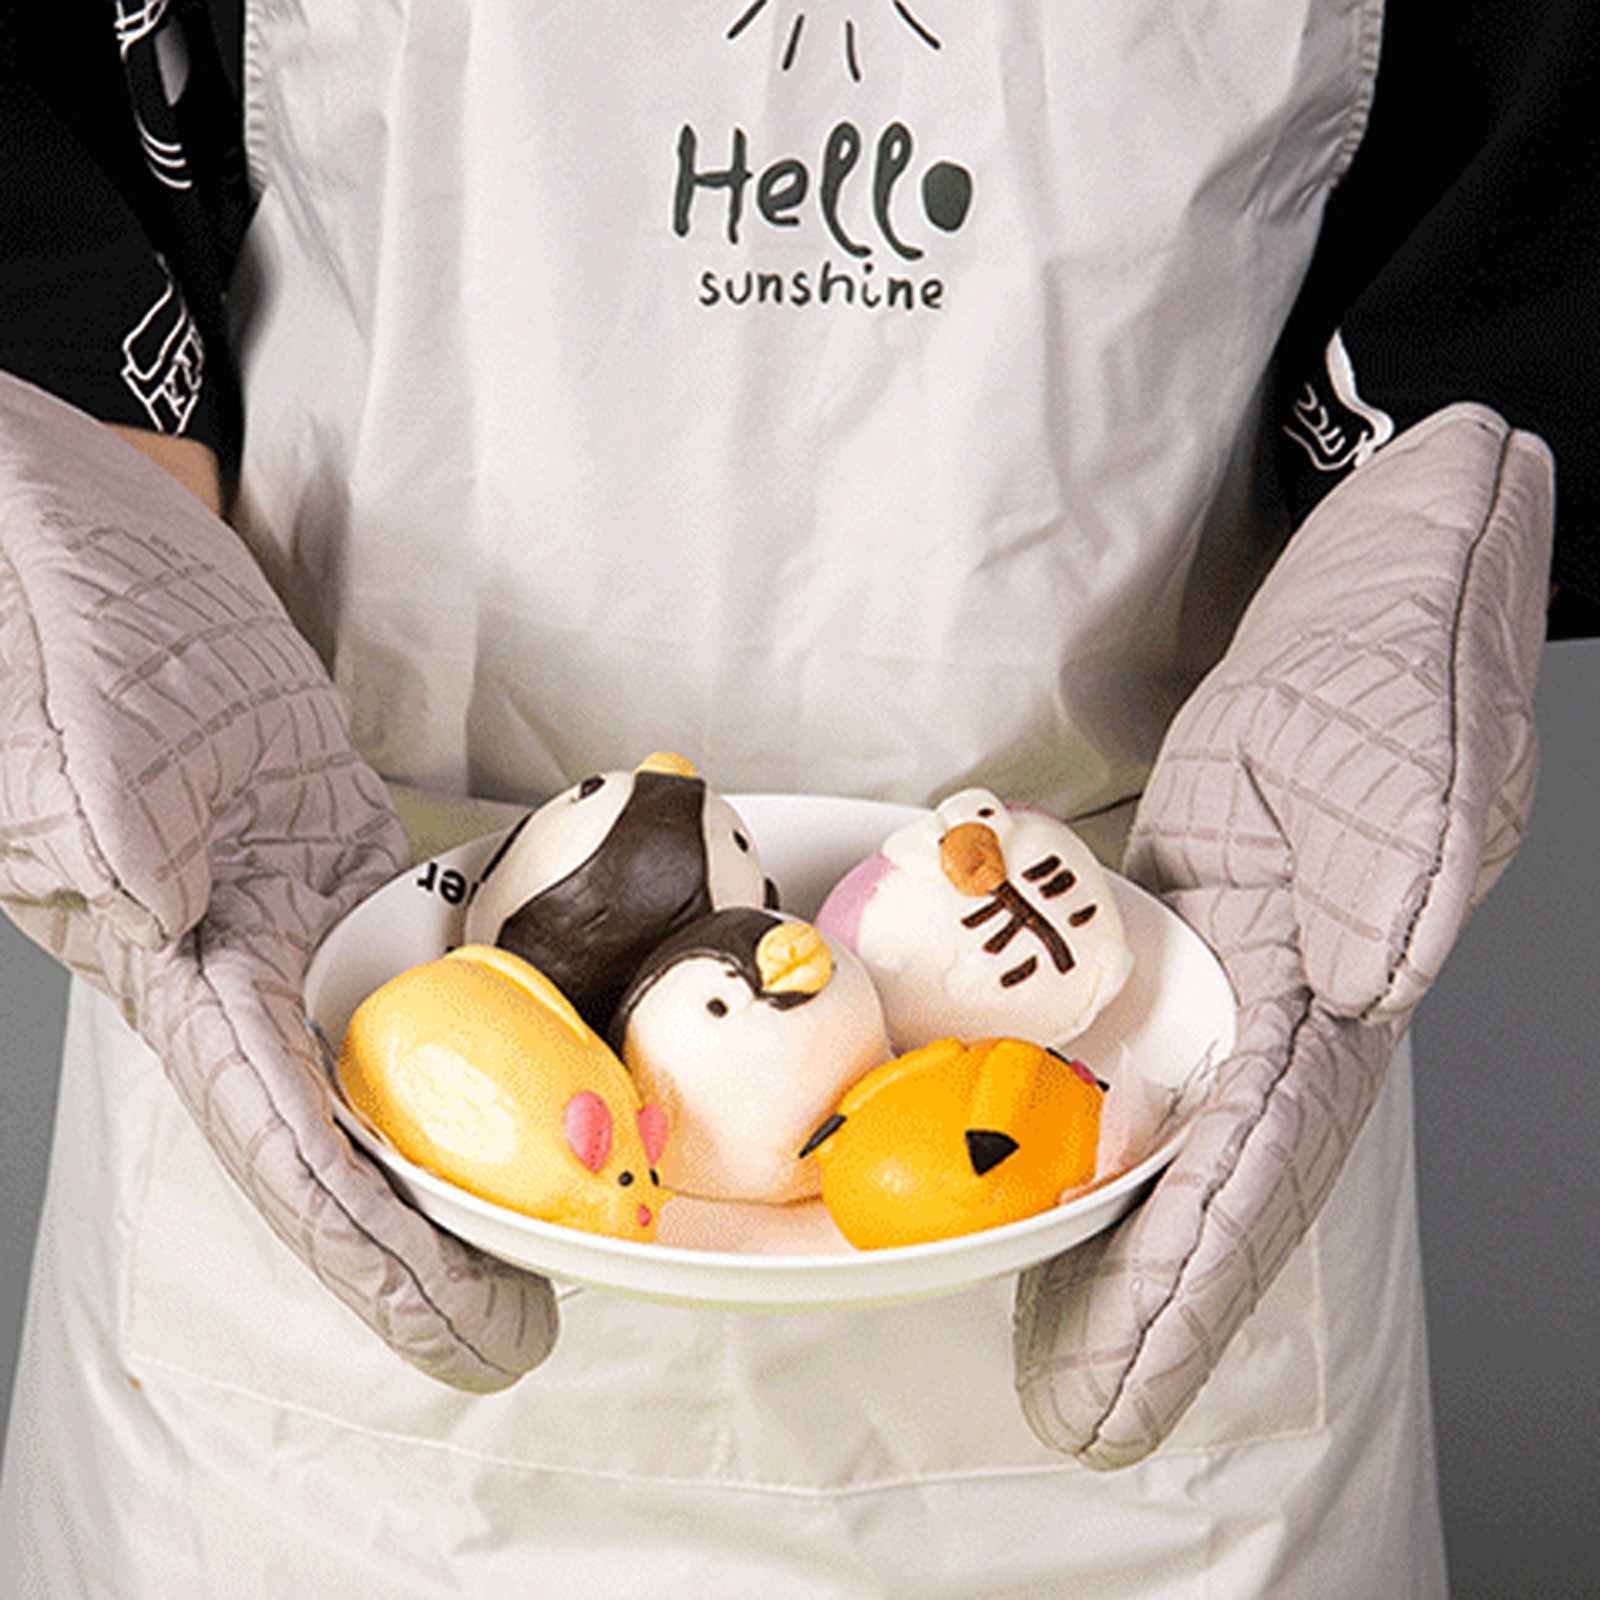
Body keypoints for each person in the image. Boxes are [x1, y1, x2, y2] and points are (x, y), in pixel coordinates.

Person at [0, 0, 1593, 1594]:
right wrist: (118, 610)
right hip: (332, 1011)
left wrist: (1392, 589)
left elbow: (1525, 177)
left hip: (1155, 1053)